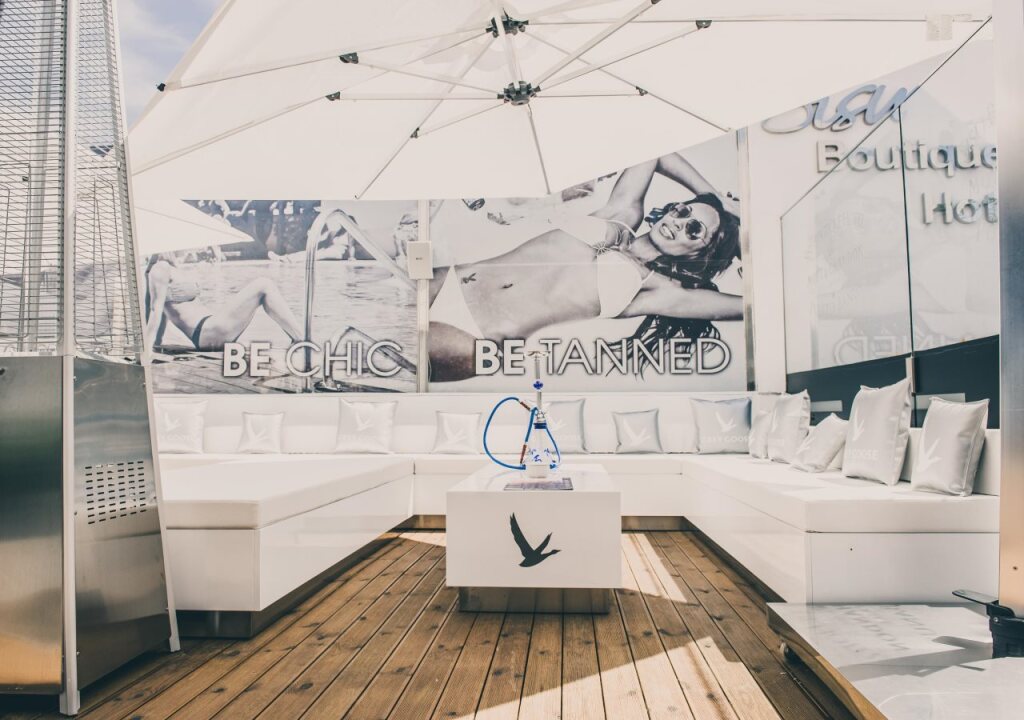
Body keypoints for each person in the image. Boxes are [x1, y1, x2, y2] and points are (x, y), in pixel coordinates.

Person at [428, 152, 743, 381]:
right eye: (683, 211)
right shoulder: (620, 216)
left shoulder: (659, 291)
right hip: (452, 281)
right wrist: (717, 199)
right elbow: (653, 154)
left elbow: (754, 305)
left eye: (694, 229)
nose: (679, 223)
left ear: (701, 252)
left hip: (475, 337)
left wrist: (745, 231)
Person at [144, 254, 303, 353]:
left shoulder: (171, 268)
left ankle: (299, 340)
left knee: (264, 287)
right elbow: (155, 309)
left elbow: (161, 309)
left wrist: (158, 343)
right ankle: (302, 340)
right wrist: (149, 348)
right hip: (206, 332)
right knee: (263, 284)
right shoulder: (160, 268)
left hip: (211, 329)